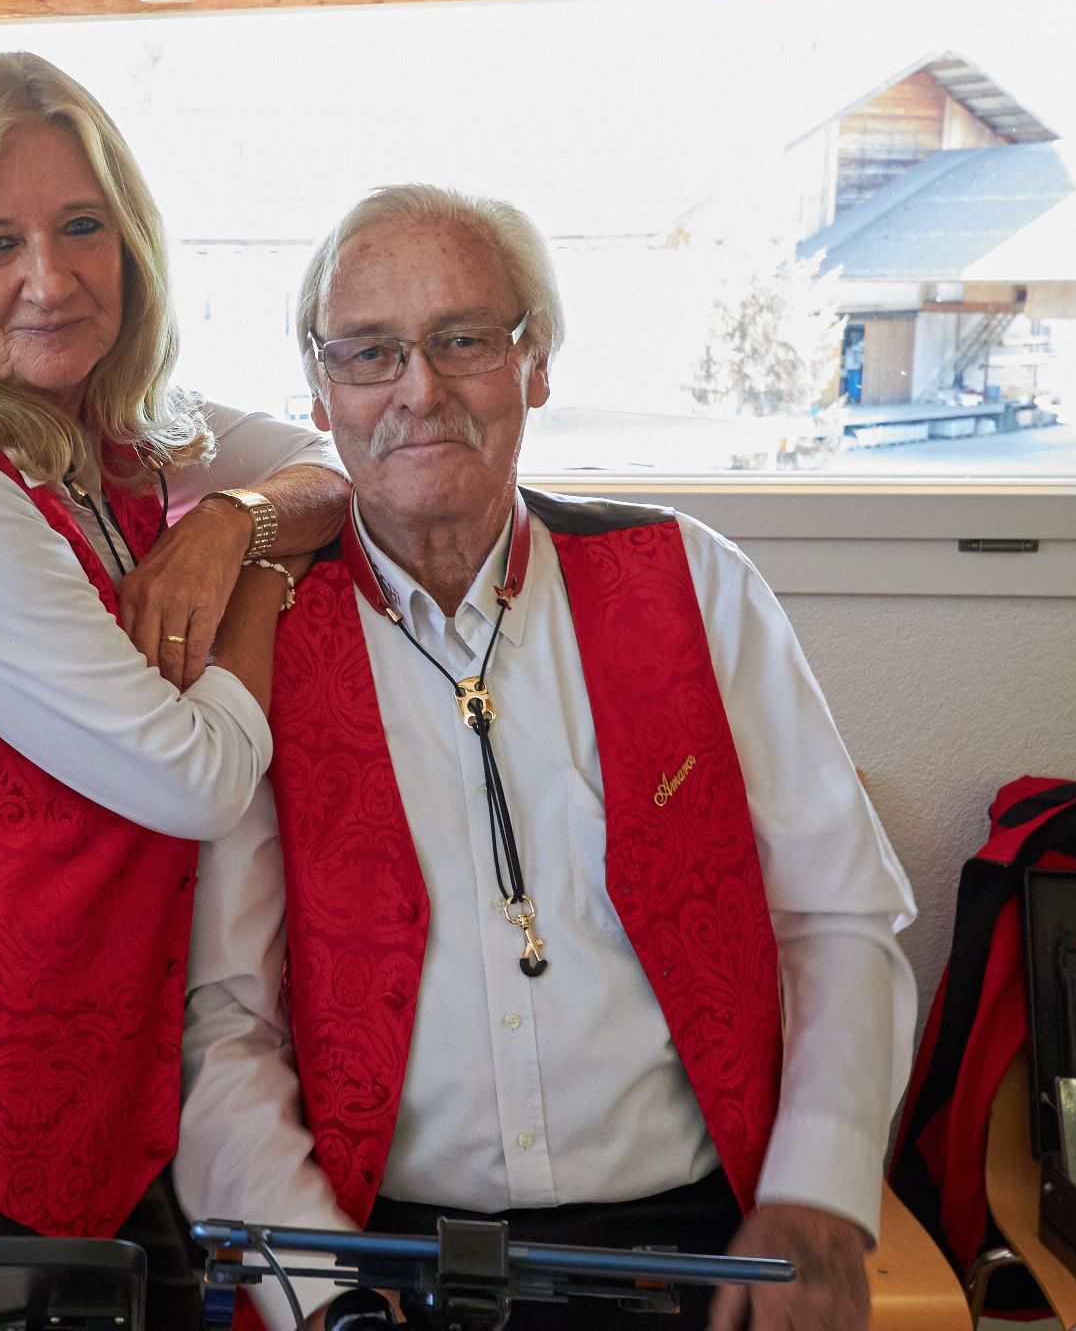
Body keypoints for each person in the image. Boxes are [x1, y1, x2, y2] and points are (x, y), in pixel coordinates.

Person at [174, 185, 918, 1331]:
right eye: (370, 353)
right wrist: (322, 1294)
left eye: (463, 340)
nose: (419, 391)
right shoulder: (263, 640)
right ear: (319, 391)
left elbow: (839, 919)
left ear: (538, 362)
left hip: (699, 1248)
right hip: (385, 1262)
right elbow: (229, 1023)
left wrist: (816, 1198)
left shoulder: (692, 582)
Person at [0, 52, 348, 1328]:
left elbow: (332, 468)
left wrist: (235, 523)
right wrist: (263, 577)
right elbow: (197, 779)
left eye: (83, 227)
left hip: (122, 1066)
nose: (49, 278)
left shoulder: (115, 425)